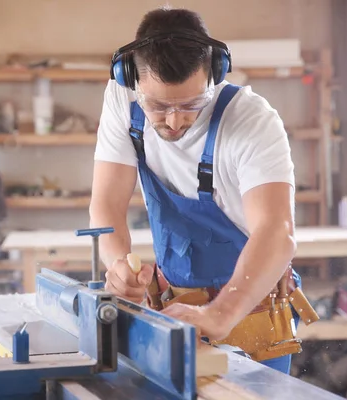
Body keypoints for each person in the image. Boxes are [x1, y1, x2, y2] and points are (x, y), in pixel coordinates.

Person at [88, 6, 319, 374]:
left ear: (213, 75)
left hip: (249, 310)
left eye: (192, 104)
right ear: (131, 79)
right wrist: (118, 265)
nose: (175, 120)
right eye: (159, 106)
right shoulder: (123, 99)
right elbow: (107, 204)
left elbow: (278, 232)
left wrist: (219, 313)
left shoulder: (252, 122)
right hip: (177, 308)